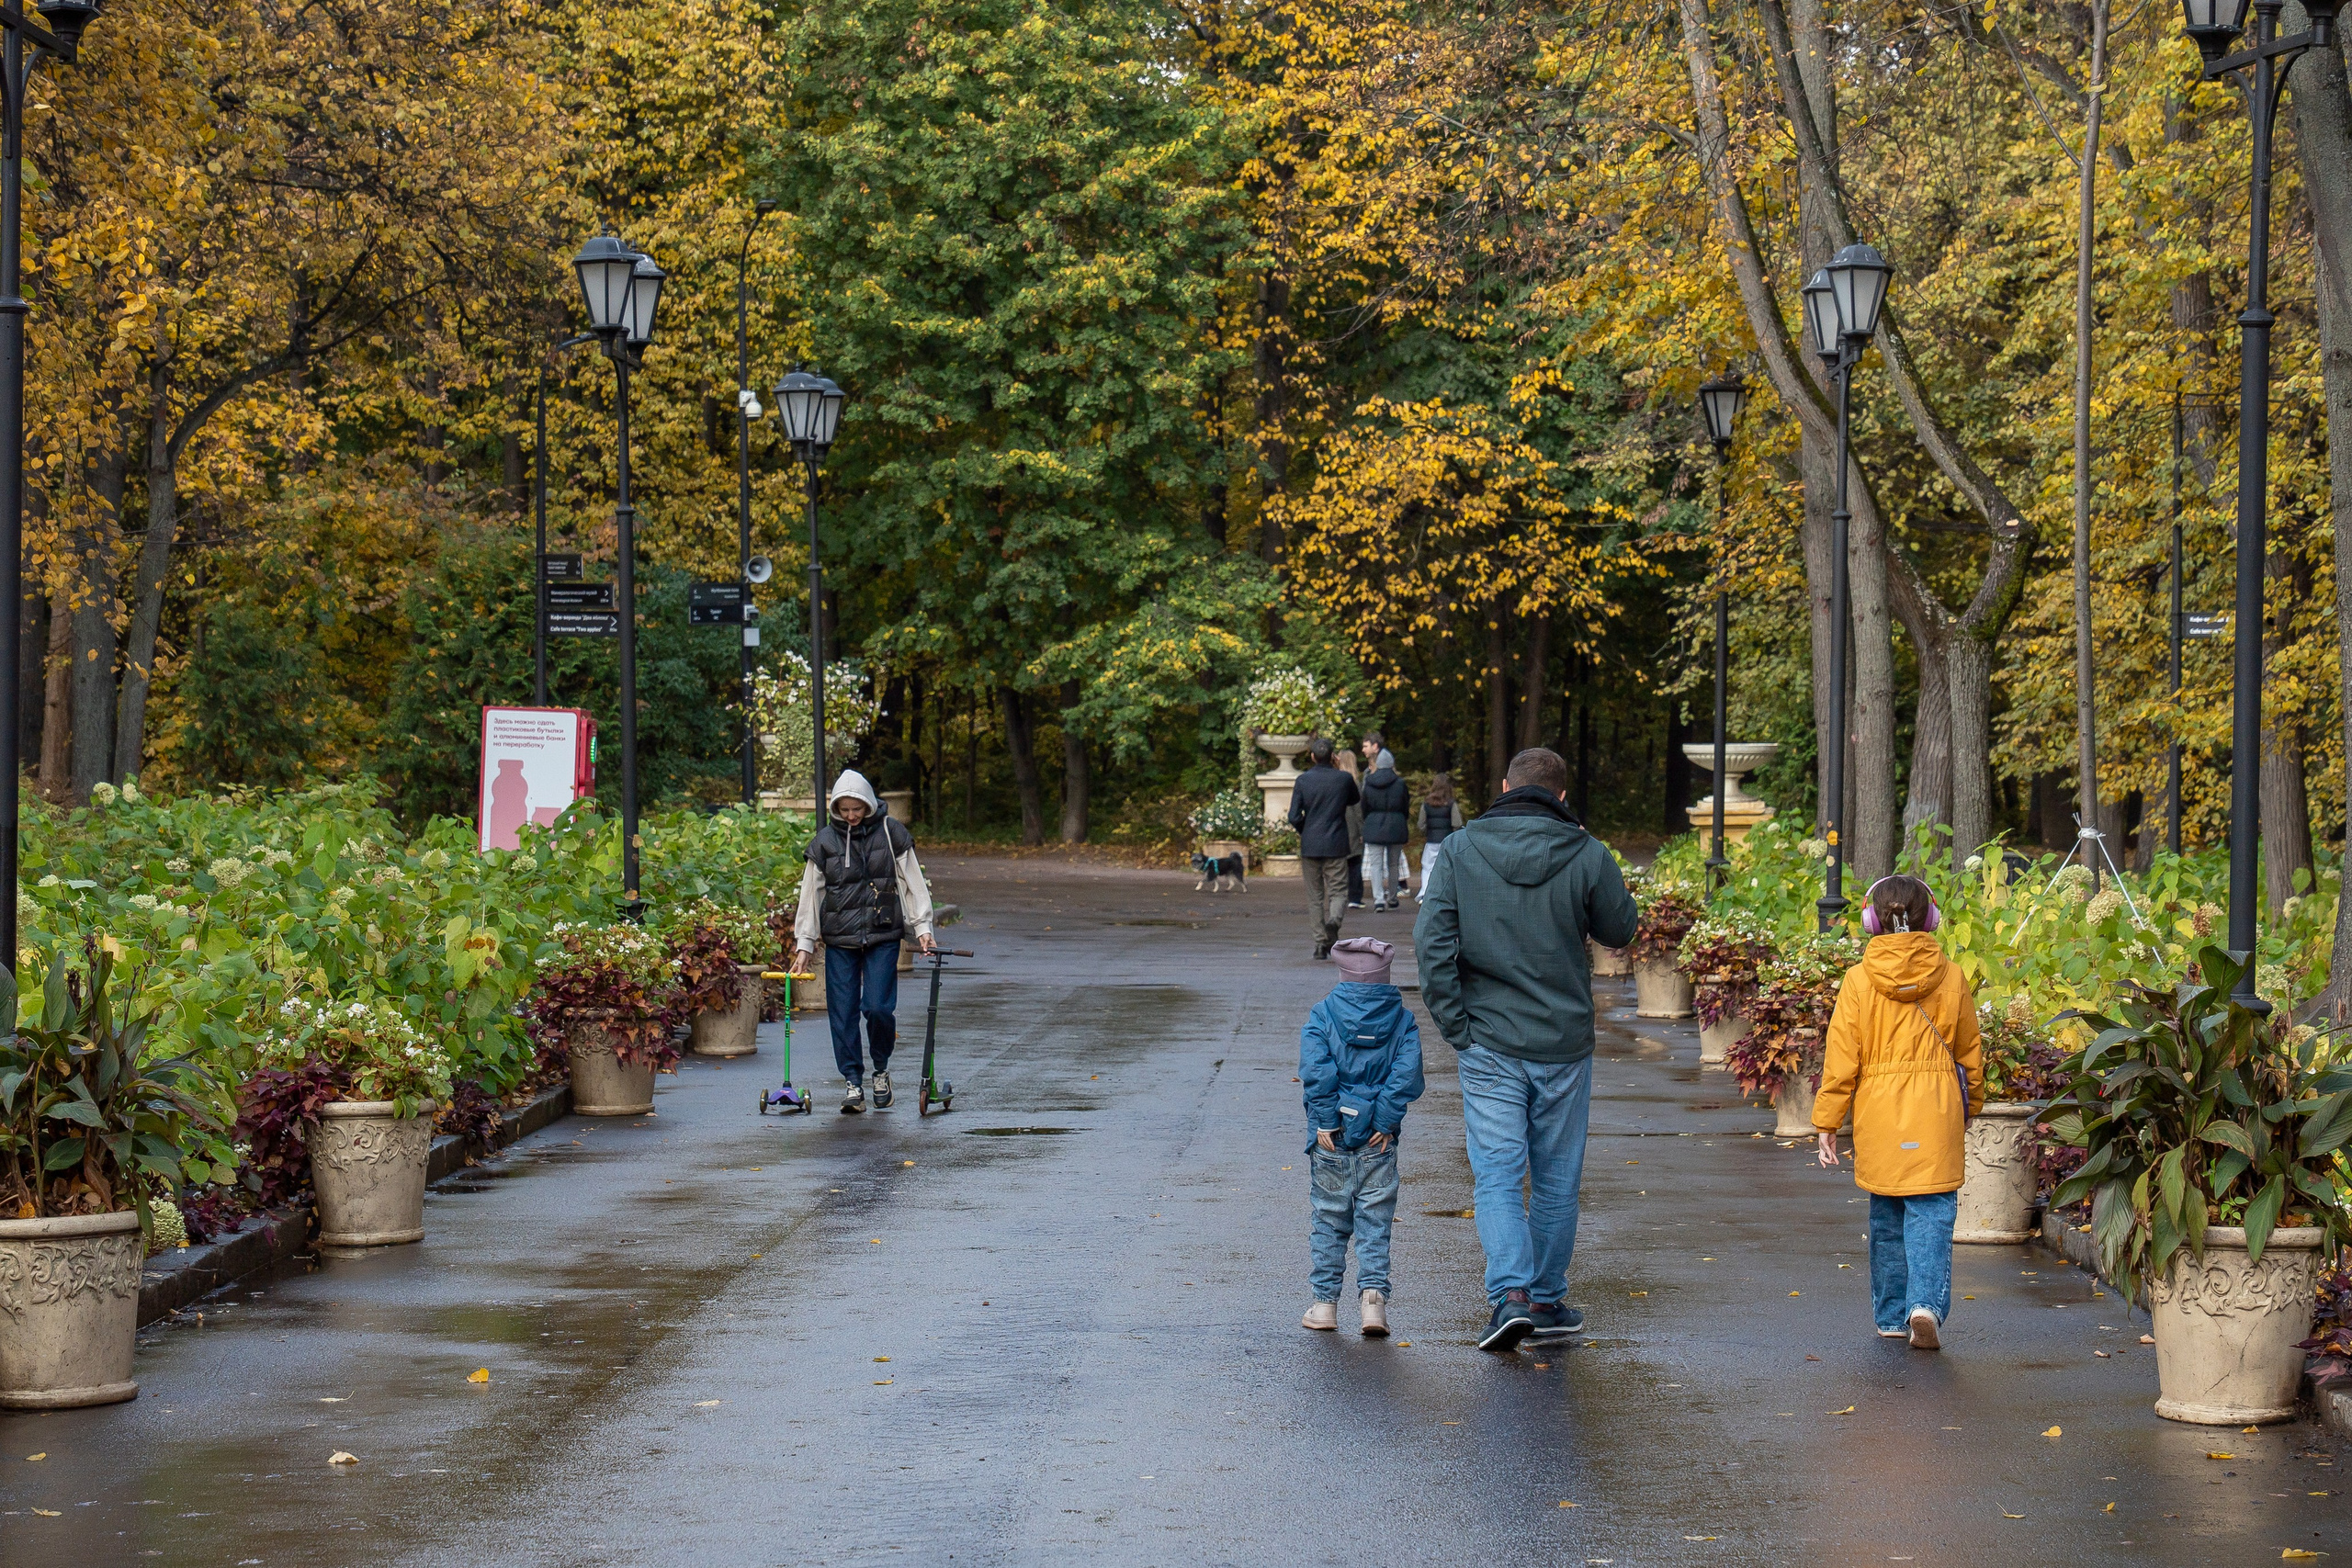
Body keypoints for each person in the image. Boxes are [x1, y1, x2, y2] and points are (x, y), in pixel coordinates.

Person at [1414, 747, 1638, 1352]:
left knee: (1496, 1175)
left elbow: (1431, 941)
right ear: (1562, 797)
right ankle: (1545, 1299)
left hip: (1488, 1038)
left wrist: (1456, 1025)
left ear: (1507, 786)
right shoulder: (1586, 852)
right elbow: (1621, 928)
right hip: (1563, 1039)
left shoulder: (1462, 849)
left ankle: (1510, 1297)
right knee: (1558, 1180)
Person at [1814, 874, 1984, 1350]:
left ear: (1871, 920)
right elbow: (1970, 1051)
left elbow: (1841, 1058)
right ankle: (1925, 1305)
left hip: (1879, 1116)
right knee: (1931, 1209)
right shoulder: (1950, 975)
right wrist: (1974, 1104)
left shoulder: (1858, 980)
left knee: (1887, 1213)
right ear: (1930, 916)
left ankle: (1891, 1315)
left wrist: (1828, 1121)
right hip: (1936, 1111)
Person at [1298, 936, 1425, 1337]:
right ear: (1384, 975)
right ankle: (1373, 1304)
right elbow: (1406, 1075)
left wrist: (1326, 1121)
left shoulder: (1322, 1015)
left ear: (1343, 973)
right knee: (1375, 1222)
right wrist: (1384, 1121)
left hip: (1331, 1139)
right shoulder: (1402, 1020)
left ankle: (1323, 1305)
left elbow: (1317, 1072)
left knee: (1329, 1220)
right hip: (1379, 1142)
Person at [791, 770, 937, 1113]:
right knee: (842, 1014)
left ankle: (881, 1070)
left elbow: (912, 882)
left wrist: (923, 926)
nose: (851, 816)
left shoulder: (891, 833)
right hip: (840, 939)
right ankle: (853, 1082)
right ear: (836, 808)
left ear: (868, 804)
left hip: (882, 935)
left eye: (856, 809)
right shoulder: (825, 841)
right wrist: (804, 943)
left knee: (877, 1008)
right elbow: (810, 895)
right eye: (844, 810)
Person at [1288, 736, 1360, 959]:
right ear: (1333, 757)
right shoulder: (1343, 779)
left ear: (1311, 756)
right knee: (1339, 890)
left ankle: (1320, 943)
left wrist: (1305, 829)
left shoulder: (1303, 780)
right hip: (1336, 843)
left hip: (1310, 844)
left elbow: (1293, 816)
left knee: (1315, 895)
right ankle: (1334, 921)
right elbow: (1354, 799)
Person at [1359, 748, 1410, 911]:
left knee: (1376, 865)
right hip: (1396, 825)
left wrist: (1369, 820)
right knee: (1393, 864)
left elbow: (1364, 807)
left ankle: (1378, 900)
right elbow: (1405, 806)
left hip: (1374, 825)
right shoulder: (1400, 784)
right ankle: (1393, 897)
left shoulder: (1369, 782)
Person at [1416, 772, 1464, 903]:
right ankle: (1446, 895)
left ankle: (1425, 894)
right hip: (1447, 841)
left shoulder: (1426, 803)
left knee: (1427, 867)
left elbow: (1421, 824)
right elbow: (1457, 823)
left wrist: (1427, 831)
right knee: (1447, 868)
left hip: (1431, 841)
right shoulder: (1451, 803)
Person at [1336, 747, 1367, 908]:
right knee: (1355, 863)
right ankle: (1355, 896)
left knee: (1341, 865)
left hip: (1339, 827)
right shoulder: (1355, 783)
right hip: (1353, 828)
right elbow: (1358, 811)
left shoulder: (1336, 781)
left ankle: (1343, 895)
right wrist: (1362, 831)